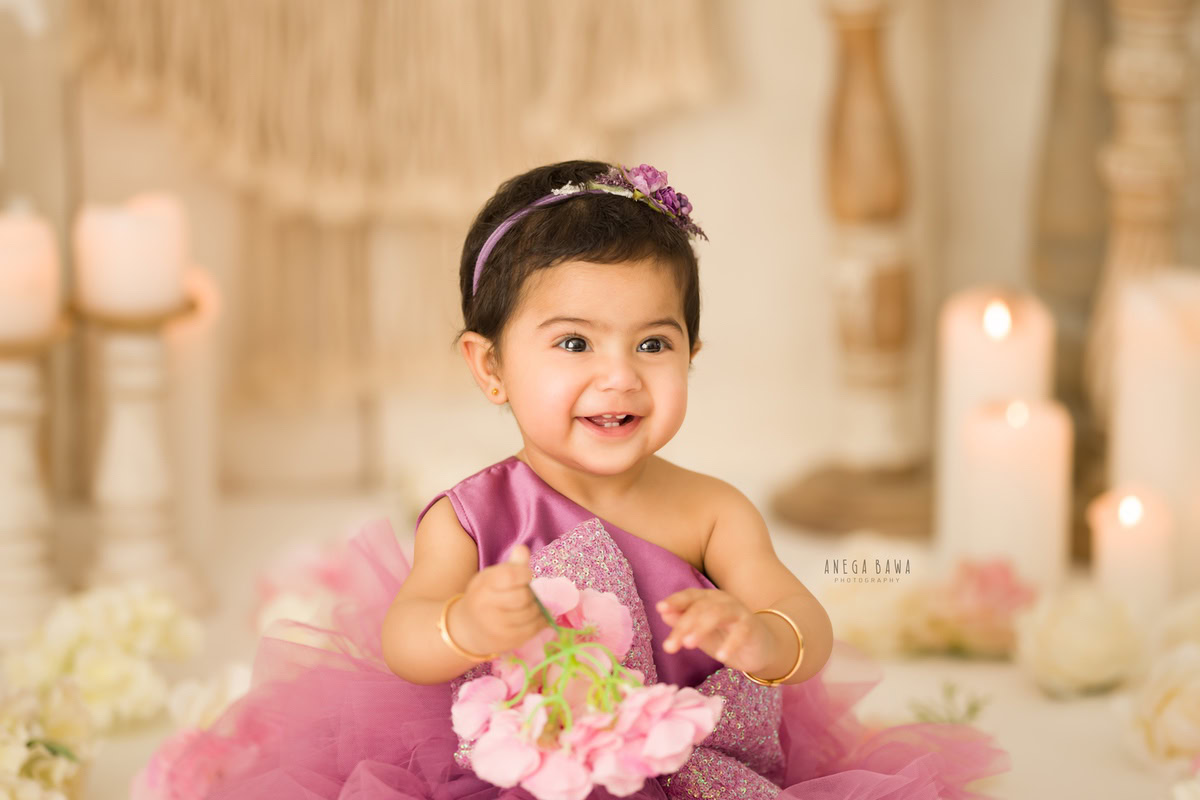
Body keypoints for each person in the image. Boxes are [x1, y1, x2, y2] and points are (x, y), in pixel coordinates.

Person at [164, 160, 1009, 799]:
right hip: (519, 773)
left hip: (693, 770)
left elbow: (805, 623)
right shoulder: (469, 519)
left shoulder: (713, 511)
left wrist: (761, 638)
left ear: (691, 355)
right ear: (489, 366)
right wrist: (465, 623)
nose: (620, 377)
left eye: (653, 343)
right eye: (574, 343)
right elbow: (405, 640)